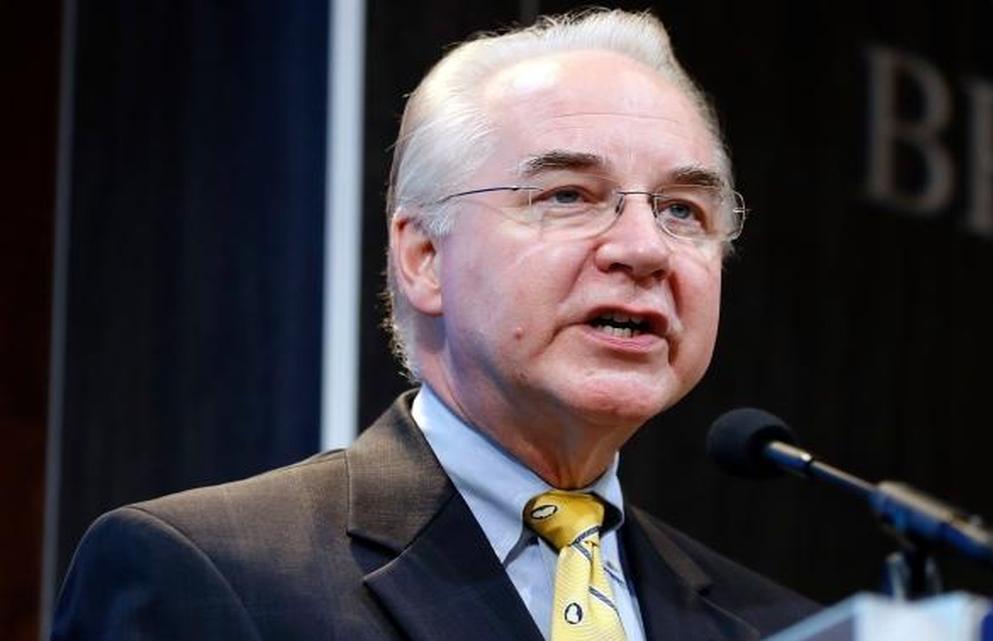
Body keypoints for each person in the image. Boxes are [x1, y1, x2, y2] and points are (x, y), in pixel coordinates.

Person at [52, 9, 818, 641]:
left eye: (683, 210)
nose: (644, 248)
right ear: (422, 255)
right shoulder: (207, 573)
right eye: (568, 195)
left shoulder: (774, 625)